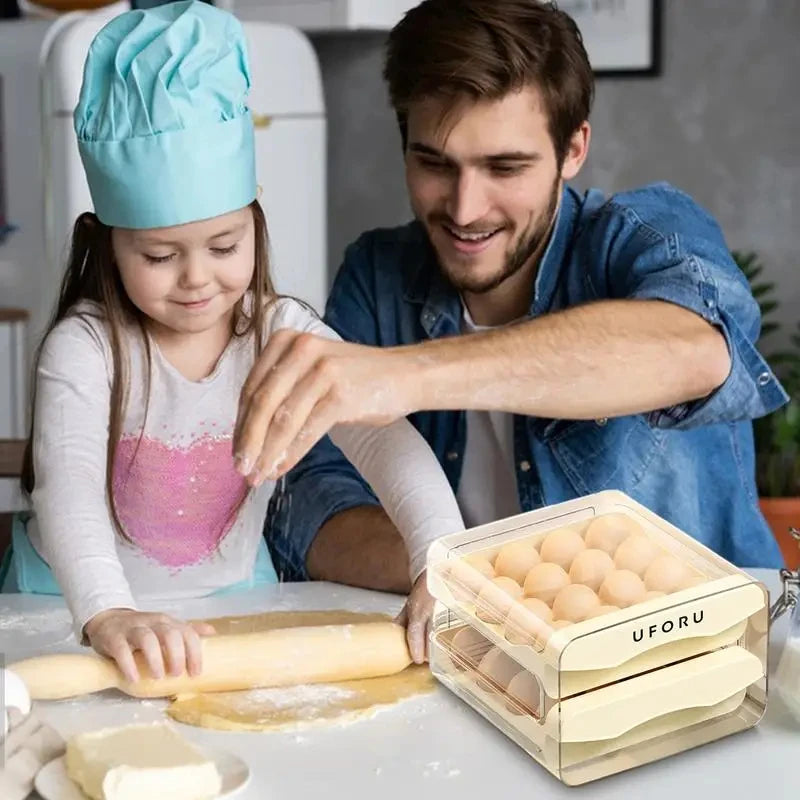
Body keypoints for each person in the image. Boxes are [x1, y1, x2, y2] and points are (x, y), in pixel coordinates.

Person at [230, 0, 788, 592]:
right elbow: (315, 499)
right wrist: (465, 578)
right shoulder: (378, 274)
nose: (465, 210)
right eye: (434, 163)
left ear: (573, 149)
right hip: (479, 653)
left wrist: (405, 376)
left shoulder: (646, 235)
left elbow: (697, 352)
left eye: (505, 167)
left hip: (703, 653)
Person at [5, 0, 464, 679]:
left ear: (254, 222)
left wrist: (440, 561)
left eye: (224, 245)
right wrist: (107, 611)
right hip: (61, 606)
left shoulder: (282, 333)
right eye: (159, 257)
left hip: (239, 600)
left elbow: (384, 438)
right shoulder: (86, 348)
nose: (196, 279)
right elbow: (66, 487)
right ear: (109, 242)